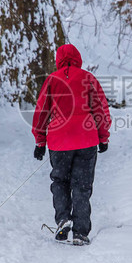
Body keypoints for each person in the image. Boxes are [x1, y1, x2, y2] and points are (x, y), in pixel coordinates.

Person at [32, 44, 112, 245]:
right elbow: (100, 110)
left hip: (59, 141)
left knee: (60, 181)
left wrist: (40, 141)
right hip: (86, 139)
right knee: (82, 185)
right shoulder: (88, 79)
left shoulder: (52, 80)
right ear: (78, 58)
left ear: (58, 59)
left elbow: (41, 112)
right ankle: (80, 233)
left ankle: (63, 219)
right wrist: (103, 137)